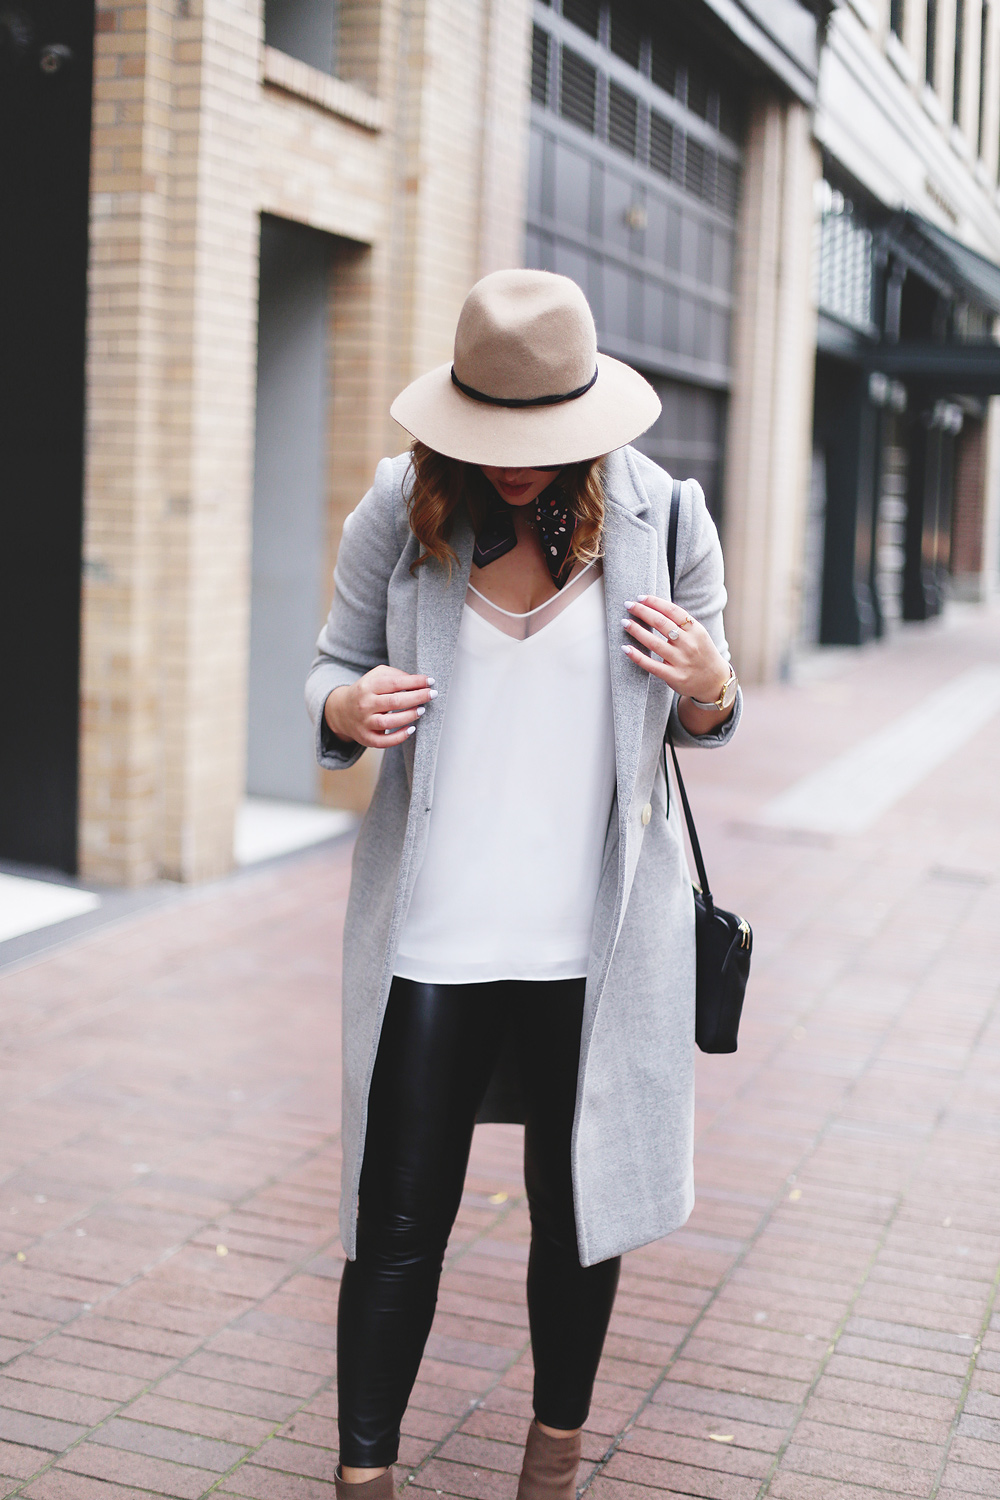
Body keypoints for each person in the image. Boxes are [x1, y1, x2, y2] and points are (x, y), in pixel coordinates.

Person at [305, 269, 741, 1500]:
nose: (511, 465)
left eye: (536, 438)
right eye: (489, 435)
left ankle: (550, 1464)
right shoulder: (403, 509)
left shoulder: (667, 517)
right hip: (431, 934)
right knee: (395, 1223)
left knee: (576, 1216)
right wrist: (344, 705)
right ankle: (364, 1475)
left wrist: (708, 679)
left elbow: (710, 715)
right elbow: (332, 666)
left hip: (593, 940)